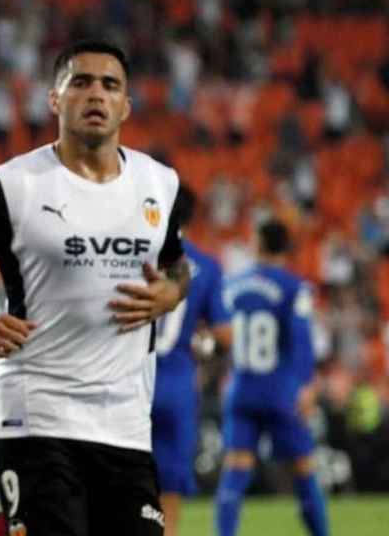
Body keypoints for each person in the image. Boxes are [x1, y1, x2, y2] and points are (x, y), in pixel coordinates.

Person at [0, 39, 189, 536]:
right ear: (55, 99)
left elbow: (177, 265)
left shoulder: (160, 184)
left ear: (126, 105)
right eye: (81, 82)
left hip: (127, 423)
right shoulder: (11, 186)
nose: (96, 94)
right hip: (37, 412)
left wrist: (173, 293)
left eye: (110, 85)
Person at [215, 220, 328, 536]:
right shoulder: (295, 288)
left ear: (260, 243)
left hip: (241, 389)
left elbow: (221, 333)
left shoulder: (232, 284)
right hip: (281, 392)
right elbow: (301, 341)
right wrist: (307, 385)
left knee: (236, 469)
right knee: (304, 469)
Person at [150, 185, 232, 536]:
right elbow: (225, 337)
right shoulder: (208, 267)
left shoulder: (131, 254)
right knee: (169, 493)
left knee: (116, 483)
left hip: (129, 379)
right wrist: (205, 346)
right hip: (178, 384)